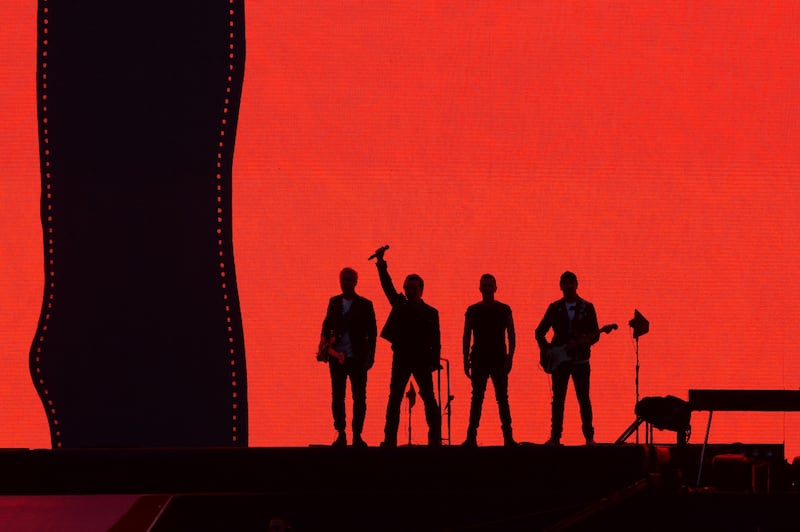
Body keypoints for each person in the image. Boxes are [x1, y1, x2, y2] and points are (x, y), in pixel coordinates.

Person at [372, 247, 441, 447]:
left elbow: (436, 339)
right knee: (394, 398)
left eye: (414, 288)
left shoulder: (431, 312)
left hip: (421, 359)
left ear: (421, 290)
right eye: (408, 288)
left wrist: (434, 362)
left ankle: (435, 439)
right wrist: (381, 264)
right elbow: (388, 287)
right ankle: (389, 439)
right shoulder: (400, 305)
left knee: (429, 398)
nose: (410, 291)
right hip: (402, 357)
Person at [535, 271, 600, 446]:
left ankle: (589, 437)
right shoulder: (554, 307)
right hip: (560, 362)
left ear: (577, 284)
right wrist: (547, 349)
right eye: (565, 283)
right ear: (560, 285)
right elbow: (539, 332)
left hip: (581, 361)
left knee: (583, 399)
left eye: (571, 282)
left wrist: (587, 341)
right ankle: (555, 437)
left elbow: (596, 334)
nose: (568, 286)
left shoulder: (587, 307)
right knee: (558, 400)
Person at [319, 267, 377, 447]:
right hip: (337, 358)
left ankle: (357, 434)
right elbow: (326, 325)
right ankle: (341, 432)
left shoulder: (365, 305)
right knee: (338, 396)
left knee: (359, 397)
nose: (345, 283)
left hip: (357, 358)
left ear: (355, 282)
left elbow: (373, 333)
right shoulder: (334, 302)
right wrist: (324, 347)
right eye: (343, 280)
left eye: (349, 280)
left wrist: (369, 358)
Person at [462, 274, 517, 447]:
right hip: (479, 359)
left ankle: (508, 437)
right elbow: (466, 336)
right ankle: (472, 436)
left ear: (495, 288)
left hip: (499, 358)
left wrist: (510, 358)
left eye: (489, 285)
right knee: (477, 397)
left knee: (502, 397)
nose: (487, 288)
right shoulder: (473, 310)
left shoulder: (504, 309)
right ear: (480, 288)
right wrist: (465, 359)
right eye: (484, 285)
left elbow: (512, 335)